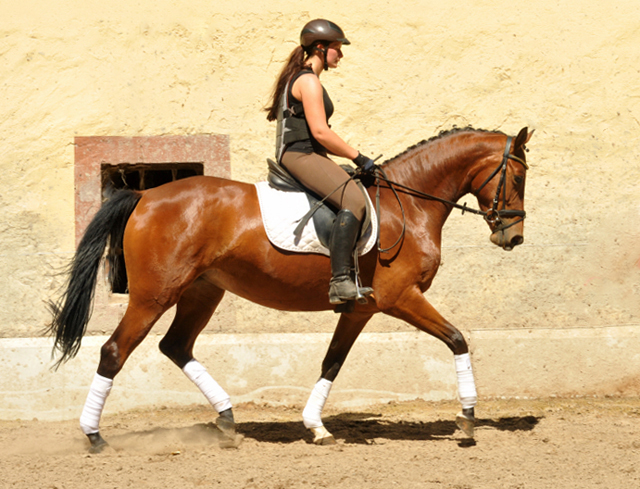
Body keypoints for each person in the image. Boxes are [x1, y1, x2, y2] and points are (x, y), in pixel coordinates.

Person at [265, 19, 375, 305]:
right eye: (337, 48)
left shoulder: (301, 77)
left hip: (305, 154)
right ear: (320, 48)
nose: (341, 54)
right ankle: (340, 282)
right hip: (301, 155)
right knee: (356, 201)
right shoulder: (308, 81)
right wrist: (358, 157)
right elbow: (320, 132)